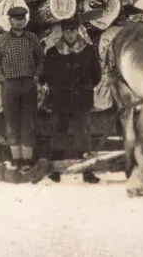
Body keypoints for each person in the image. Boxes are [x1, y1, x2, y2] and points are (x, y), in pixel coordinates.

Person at [41, 21, 102, 184]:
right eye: (67, 31)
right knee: (58, 133)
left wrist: (85, 87)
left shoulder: (88, 51)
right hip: (60, 100)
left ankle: (87, 172)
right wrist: (57, 87)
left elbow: (97, 75)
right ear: (62, 32)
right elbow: (45, 75)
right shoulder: (53, 52)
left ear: (78, 31)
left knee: (83, 135)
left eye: (73, 30)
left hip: (82, 100)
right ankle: (56, 171)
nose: (70, 34)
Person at [0, 6, 45, 171]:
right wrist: (3, 79)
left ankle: (27, 160)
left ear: (26, 20)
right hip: (10, 85)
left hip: (28, 84)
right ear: (10, 20)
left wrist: (35, 77)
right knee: (11, 122)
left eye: (22, 19)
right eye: (16, 19)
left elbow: (41, 59)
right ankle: (16, 159)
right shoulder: (2, 40)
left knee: (29, 122)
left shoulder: (32, 38)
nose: (19, 22)